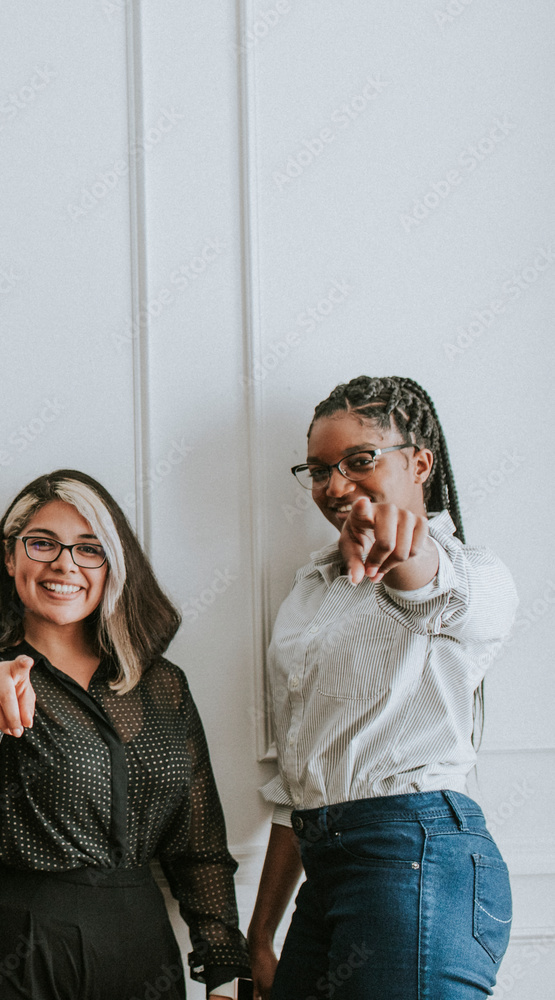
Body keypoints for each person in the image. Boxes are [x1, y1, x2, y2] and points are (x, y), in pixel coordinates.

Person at [0, 469, 251, 1000]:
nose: (64, 564)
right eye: (42, 544)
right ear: (10, 558)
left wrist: (224, 970)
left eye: (89, 548)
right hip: (15, 946)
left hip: (142, 948)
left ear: (113, 566)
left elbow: (200, 845)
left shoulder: (164, 685)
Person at [247, 376, 518, 1000]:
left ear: (419, 463)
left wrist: (409, 552)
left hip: (418, 857)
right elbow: (301, 777)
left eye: (360, 462)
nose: (336, 486)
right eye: (318, 470)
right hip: (327, 865)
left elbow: (436, 594)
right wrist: (262, 934)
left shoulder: (471, 571)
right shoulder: (311, 591)